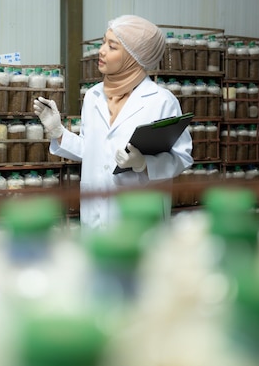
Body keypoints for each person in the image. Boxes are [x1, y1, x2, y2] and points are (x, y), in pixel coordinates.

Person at [34, 14, 193, 230]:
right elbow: (92, 151)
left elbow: (182, 157)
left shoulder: (161, 101)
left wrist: (144, 164)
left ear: (134, 57)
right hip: (96, 215)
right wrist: (57, 131)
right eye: (103, 42)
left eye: (112, 46)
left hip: (139, 219)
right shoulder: (93, 96)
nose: (101, 51)